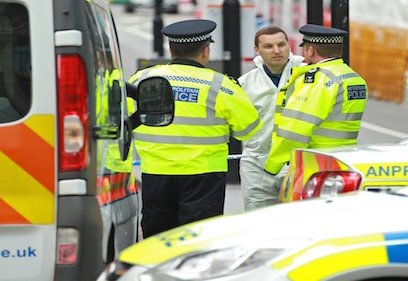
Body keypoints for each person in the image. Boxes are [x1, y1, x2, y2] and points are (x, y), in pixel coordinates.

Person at [128, 19, 262, 237]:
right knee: (199, 238)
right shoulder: (221, 85)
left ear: (170, 49)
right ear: (205, 50)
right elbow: (249, 130)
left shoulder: (143, 78)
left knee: (158, 236)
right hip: (204, 175)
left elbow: (123, 117)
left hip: (156, 171)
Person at [263, 24, 368, 176]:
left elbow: (297, 127)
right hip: (344, 160)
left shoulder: (318, 80)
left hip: (316, 163)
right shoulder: (353, 77)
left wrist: (273, 165)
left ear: (310, 50)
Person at [238, 26, 304, 210]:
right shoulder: (245, 83)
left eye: (281, 44)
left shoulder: (308, 76)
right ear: (257, 50)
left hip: (299, 163)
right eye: (268, 46)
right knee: (259, 224)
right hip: (257, 165)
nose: (277, 51)